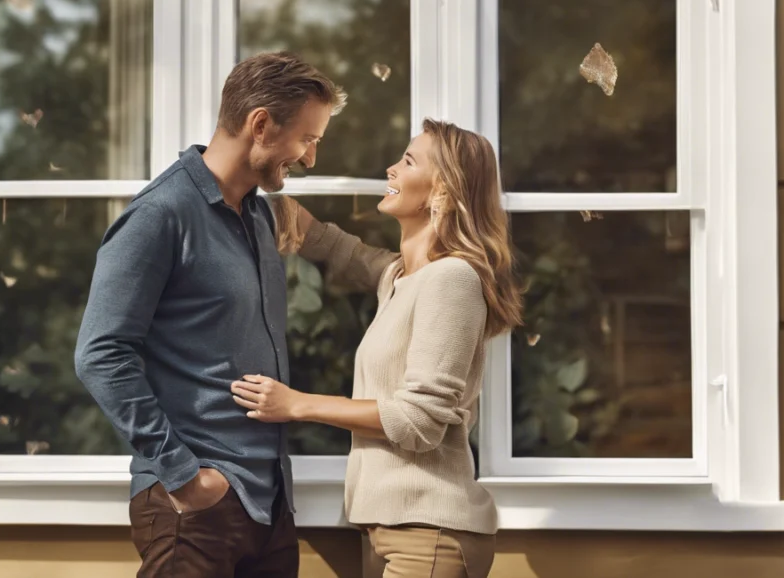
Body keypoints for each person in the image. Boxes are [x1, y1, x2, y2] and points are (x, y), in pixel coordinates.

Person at [75, 51, 346, 578]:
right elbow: (100, 354)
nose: (311, 157)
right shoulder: (160, 214)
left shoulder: (258, 215)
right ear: (261, 124)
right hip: (195, 510)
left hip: (267, 506)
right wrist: (183, 476)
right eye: (307, 138)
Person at [232, 118, 525, 578]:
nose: (390, 169)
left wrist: (297, 405)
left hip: (430, 531)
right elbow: (336, 247)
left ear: (442, 190)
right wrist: (255, 195)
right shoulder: (401, 279)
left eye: (407, 161)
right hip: (391, 529)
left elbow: (421, 421)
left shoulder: (452, 280)